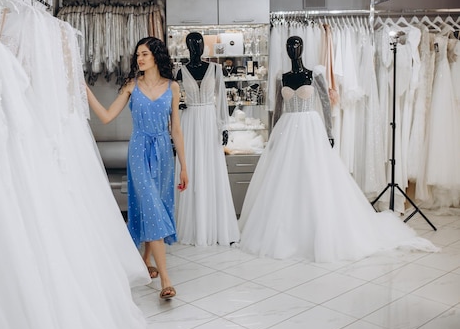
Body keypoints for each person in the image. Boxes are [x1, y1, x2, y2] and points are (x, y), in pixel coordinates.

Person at [237, 35, 438, 262]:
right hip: (287, 130)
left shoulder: (315, 74)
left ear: (302, 49)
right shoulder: (280, 78)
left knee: (315, 177)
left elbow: (325, 104)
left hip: (311, 129)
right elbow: (277, 110)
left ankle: (319, 228)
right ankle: (286, 229)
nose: (293, 49)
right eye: (289, 46)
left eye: (297, 46)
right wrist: (273, 136)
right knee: (286, 179)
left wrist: (330, 132)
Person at [86, 36, 188, 300]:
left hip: (164, 151)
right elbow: (107, 117)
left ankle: (145, 260)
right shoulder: (132, 85)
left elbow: (175, 129)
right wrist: (85, 90)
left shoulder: (172, 87)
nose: (139, 59)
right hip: (139, 150)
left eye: (144, 54)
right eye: (137, 55)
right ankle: (166, 279)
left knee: (157, 205)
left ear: (156, 56)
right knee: (151, 206)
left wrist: (184, 167)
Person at [174, 32, 240, 246]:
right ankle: (193, 226)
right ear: (187, 47)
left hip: (209, 122)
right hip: (190, 121)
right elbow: (172, 98)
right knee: (191, 167)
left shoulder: (215, 69)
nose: (197, 47)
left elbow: (222, 99)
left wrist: (224, 126)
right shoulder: (180, 71)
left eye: (199, 43)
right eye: (192, 44)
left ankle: (214, 224)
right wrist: (178, 106)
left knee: (211, 168)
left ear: (204, 46)